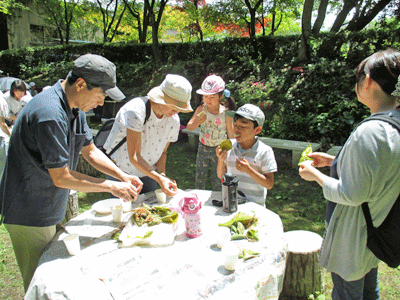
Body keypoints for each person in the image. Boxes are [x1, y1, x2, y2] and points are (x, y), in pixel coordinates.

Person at [0, 54, 143, 292]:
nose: (100, 103)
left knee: (58, 275)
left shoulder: (75, 107)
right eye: (100, 95)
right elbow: (62, 176)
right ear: (80, 84)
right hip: (28, 212)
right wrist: (110, 186)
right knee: (40, 283)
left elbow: (90, 151)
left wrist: (122, 176)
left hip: (49, 205)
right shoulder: (49, 112)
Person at [299, 49, 400, 300]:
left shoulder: (372, 131)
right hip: (377, 226)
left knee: (348, 292)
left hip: (355, 235)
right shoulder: (394, 123)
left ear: (367, 80)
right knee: (369, 290)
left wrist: (315, 175)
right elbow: (380, 169)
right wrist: (334, 162)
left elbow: (352, 194)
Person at [104, 74, 193, 197]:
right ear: (162, 98)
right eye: (174, 106)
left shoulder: (174, 120)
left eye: (180, 108)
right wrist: (158, 178)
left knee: (151, 211)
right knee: (125, 213)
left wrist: (162, 176)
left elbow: (163, 152)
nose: (176, 111)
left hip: (149, 174)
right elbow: (134, 156)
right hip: (122, 172)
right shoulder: (136, 111)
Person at [216, 104, 277, 206]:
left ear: (257, 130)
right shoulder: (229, 147)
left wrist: (249, 170)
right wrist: (221, 159)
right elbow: (221, 175)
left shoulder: (265, 151)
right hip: (231, 202)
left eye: (243, 126)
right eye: (235, 125)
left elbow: (269, 184)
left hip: (255, 206)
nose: (237, 130)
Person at [186, 74, 236, 191]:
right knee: (200, 177)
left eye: (212, 97)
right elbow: (189, 127)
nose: (208, 100)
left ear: (221, 96)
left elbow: (231, 134)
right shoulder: (201, 109)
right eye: (205, 96)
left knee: (218, 178)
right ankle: (197, 197)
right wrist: (197, 122)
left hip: (219, 151)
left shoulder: (226, 113)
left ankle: (219, 199)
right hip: (203, 148)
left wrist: (233, 151)